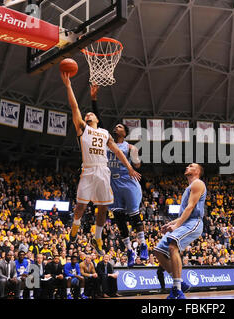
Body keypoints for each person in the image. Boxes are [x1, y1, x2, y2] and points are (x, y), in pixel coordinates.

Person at [60, 72, 141, 256]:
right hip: (88, 170)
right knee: (80, 206)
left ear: (96, 119)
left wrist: (129, 167)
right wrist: (68, 86)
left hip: (104, 171)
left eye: (91, 113)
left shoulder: (105, 133)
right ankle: (74, 228)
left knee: (103, 207)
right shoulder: (83, 128)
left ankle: (97, 237)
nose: (88, 114)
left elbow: (118, 151)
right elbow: (74, 108)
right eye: (87, 113)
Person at [90, 84, 146, 267]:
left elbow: (138, 166)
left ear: (125, 133)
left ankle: (143, 245)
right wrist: (94, 99)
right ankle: (129, 250)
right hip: (112, 184)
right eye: (117, 125)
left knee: (135, 217)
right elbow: (100, 123)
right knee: (120, 220)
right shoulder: (109, 142)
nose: (117, 126)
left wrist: (136, 159)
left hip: (128, 182)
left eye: (120, 126)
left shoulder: (130, 147)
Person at [153, 163, 206, 299]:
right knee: (158, 251)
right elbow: (183, 214)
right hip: (184, 222)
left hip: (194, 222)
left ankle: (176, 290)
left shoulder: (198, 183)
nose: (187, 167)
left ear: (197, 171)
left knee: (172, 246)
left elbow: (190, 208)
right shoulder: (189, 187)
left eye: (191, 166)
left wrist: (176, 226)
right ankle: (180, 283)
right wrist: (171, 224)